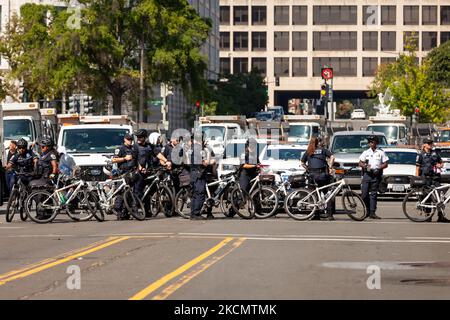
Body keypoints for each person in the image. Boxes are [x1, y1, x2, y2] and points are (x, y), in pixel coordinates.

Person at [301, 137, 336, 221]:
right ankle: (329, 215)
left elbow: (302, 163)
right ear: (318, 143)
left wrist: (308, 169)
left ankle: (315, 215)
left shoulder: (308, 151)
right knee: (327, 194)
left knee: (314, 195)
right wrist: (330, 167)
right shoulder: (323, 150)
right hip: (322, 175)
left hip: (312, 176)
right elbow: (332, 157)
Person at [416, 138, 449, 223]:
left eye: (431, 143)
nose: (430, 144)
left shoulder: (435, 153)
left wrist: (440, 165)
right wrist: (417, 178)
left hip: (436, 177)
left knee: (440, 198)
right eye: (429, 143)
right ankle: (428, 216)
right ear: (424, 144)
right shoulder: (420, 155)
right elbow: (417, 168)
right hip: (425, 178)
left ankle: (441, 216)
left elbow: (441, 163)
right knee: (427, 198)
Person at [358, 135, 389, 220]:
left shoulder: (381, 152)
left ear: (376, 143)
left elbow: (386, 164)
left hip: (376, 175)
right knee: (364, 194)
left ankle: (372, 212)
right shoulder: (366, 152)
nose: (370, 143)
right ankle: (367, 210)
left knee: (373, 194)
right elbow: (360, 163)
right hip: (367, 175)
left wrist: (379, 168)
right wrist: (364, 166)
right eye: (369, 142)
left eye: (372, 142)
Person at [112, 133, 137, 220]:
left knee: (130, 193)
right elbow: (114, 160)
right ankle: (119, 212)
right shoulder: (120, 149)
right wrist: (124, 158)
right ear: (125, 139)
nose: (130, 141)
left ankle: (127, 212)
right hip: (122, 173)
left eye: (131, 139)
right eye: (128, 139)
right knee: (120, 193)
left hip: (132, 173)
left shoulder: (133, 148)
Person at [190, 131, 211, 220]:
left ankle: (193, 213)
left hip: (194, 173)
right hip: (199, 173)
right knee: (200, 193)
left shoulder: (193, 148)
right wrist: (208, 162)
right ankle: (196, 213)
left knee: (195, 194)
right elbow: (203, 162)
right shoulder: (198, 148)